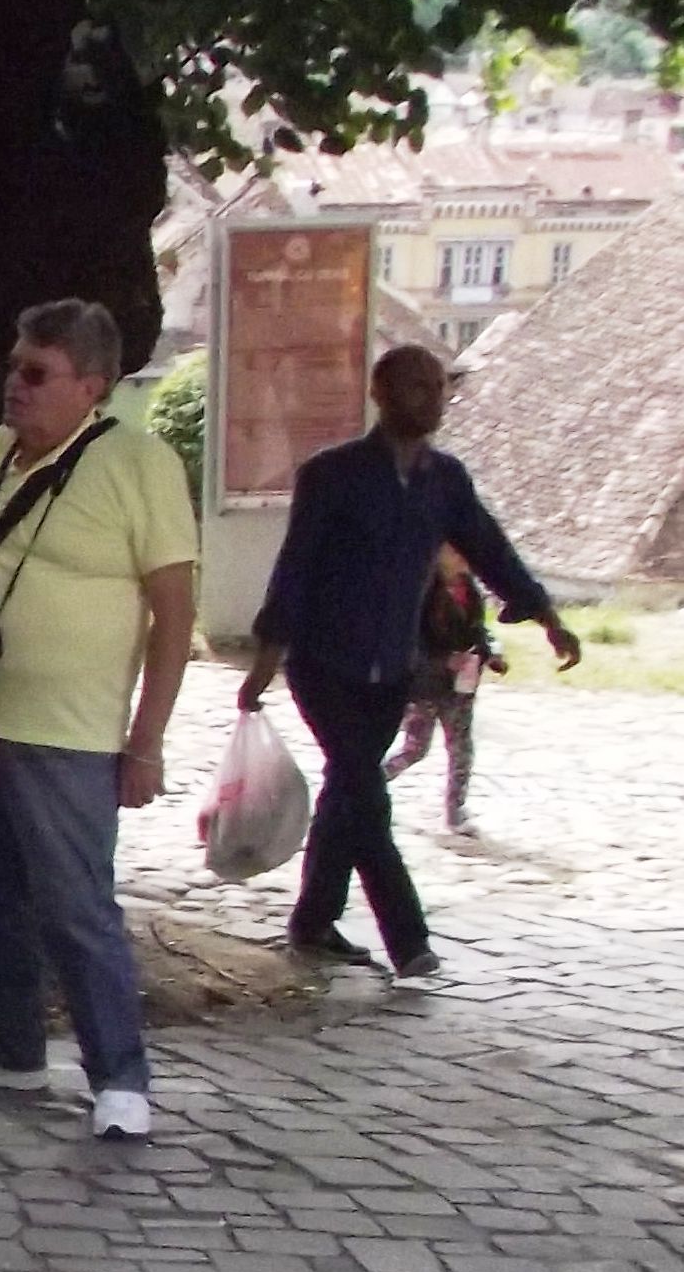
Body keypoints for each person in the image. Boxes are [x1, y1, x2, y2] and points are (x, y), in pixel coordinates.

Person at [0, 299, 198, 1142]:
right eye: (12, 367)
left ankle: (119, 1076)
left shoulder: (137, 464)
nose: (14, 385)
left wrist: (146, 741)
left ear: (90, 386)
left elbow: (174, 613)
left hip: (71, 734)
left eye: (35, 373)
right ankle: (4, 1044)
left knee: (76, 907)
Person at [239, 344, 577, 975]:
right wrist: (267, 660)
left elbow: (490, 549)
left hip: (392, 670)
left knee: (349, 789)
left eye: (439, 387)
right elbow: (295, 569)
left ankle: (313, 922)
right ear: (380, 393)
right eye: (417, 387)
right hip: (324, 665)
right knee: (365, 791)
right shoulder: (332, 474)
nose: (432, 399)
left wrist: (546, 616)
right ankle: (409, 940)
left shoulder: (445, 481)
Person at [386, 547, 502, 833]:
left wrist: (492, 652)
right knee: (415, 749)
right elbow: (408, 640)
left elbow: (479, 630)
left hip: (461, 685)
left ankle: (455, 811)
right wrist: (443, 660)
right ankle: (368, 787)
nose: (463, 558)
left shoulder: (470, 591)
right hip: (425, 687)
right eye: (456, 552)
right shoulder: (421, 590)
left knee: (461, 748)